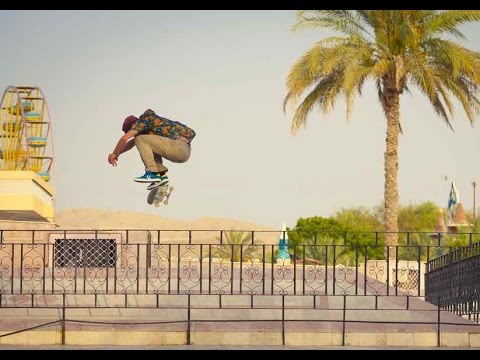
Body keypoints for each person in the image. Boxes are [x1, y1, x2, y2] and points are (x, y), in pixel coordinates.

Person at [108, 109, 196, 190]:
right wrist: (118, 154)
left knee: (140, 139)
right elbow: (130, 144)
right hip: (182, 150)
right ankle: (161, 177)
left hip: (179, 147)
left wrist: (114, 153)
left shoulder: (144, 121)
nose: (134, 136)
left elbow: (125, 139)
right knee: (146, 144)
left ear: (133, 125)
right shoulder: (149, 130)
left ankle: (152, 173)